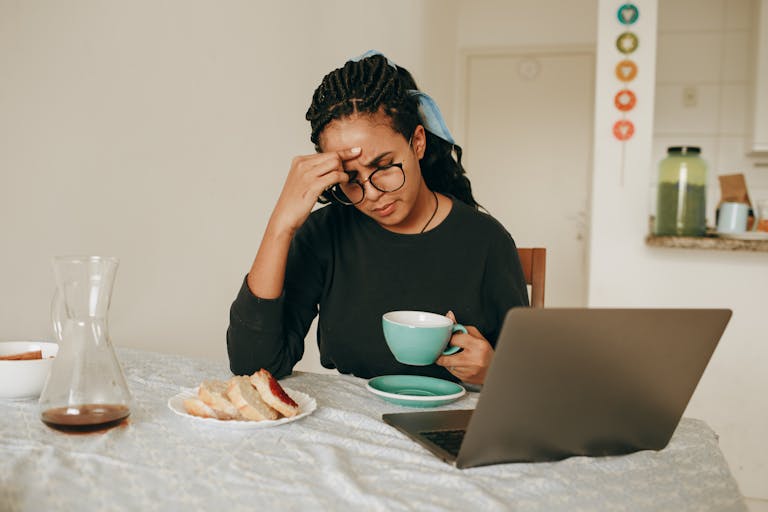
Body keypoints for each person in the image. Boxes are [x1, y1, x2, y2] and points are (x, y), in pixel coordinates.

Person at [227, 52, 528, 385]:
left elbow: (528, 385)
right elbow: (253, 365)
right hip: (350, 422)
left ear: (417, 142)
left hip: (449, 425)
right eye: (351, 178)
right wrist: (281, 225)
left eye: (384, 167)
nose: (370, 194)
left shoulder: (486, 241)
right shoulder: (325, 233)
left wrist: (494, 370)